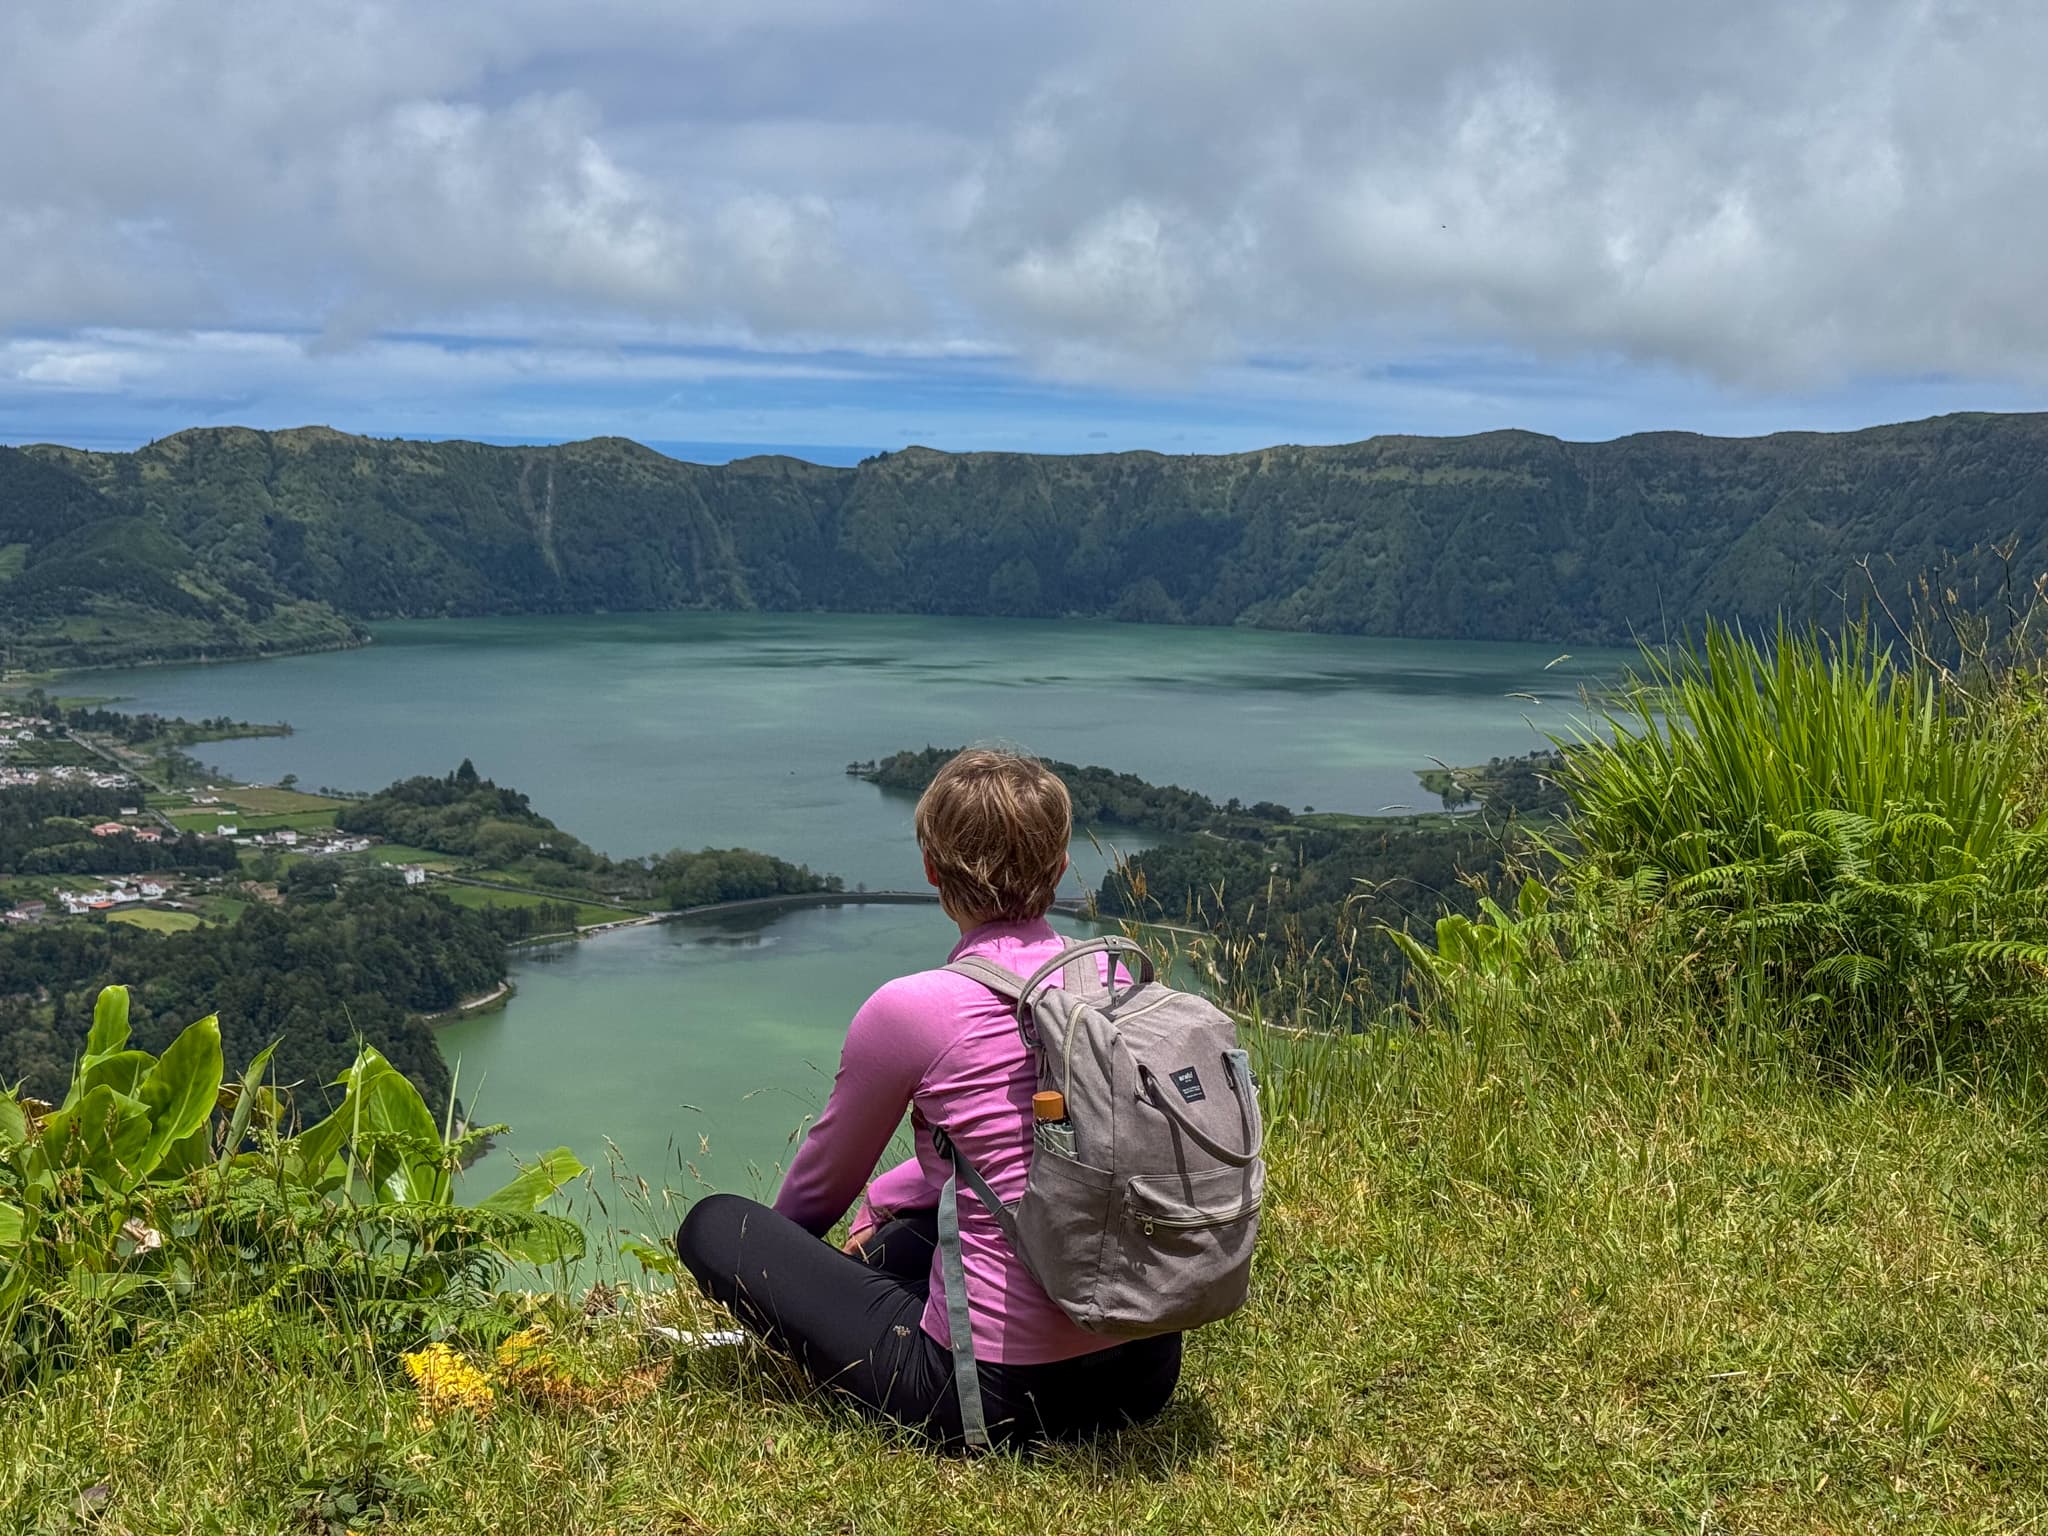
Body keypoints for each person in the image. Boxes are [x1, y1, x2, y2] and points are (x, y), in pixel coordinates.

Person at [674, 746, 1182, 1449]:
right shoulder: (1109, 977)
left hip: (992, 1401)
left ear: (932, 873)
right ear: (1062, 868)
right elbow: (1036, 1150)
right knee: (903, 1230)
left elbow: (816, 1199)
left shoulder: (915, 1010)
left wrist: (786, 1276)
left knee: (717, 1225)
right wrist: (891, 1193)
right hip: (1144, 1372)